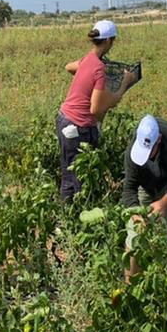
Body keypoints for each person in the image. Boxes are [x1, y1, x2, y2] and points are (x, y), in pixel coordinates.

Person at [57, 20, 136, 201]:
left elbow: (69, 66)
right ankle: (79, 218)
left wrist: (88, 79)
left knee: (68, 173)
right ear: (108, 41)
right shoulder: (99, 68)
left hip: (64, 119)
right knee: (82, 179)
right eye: (113, 40)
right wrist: (125, 83)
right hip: (79, 127)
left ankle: (66, 215)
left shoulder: (88, 59)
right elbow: (96, 108)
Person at [123, 115, 167, 261]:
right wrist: (136, 217)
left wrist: (164, 203)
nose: (146, 157)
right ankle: (131, 283)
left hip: (166, 186)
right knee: (134, 243)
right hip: (145, 186)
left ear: (158, 140)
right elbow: (129, 189)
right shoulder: (131, 152)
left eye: (149, 152)